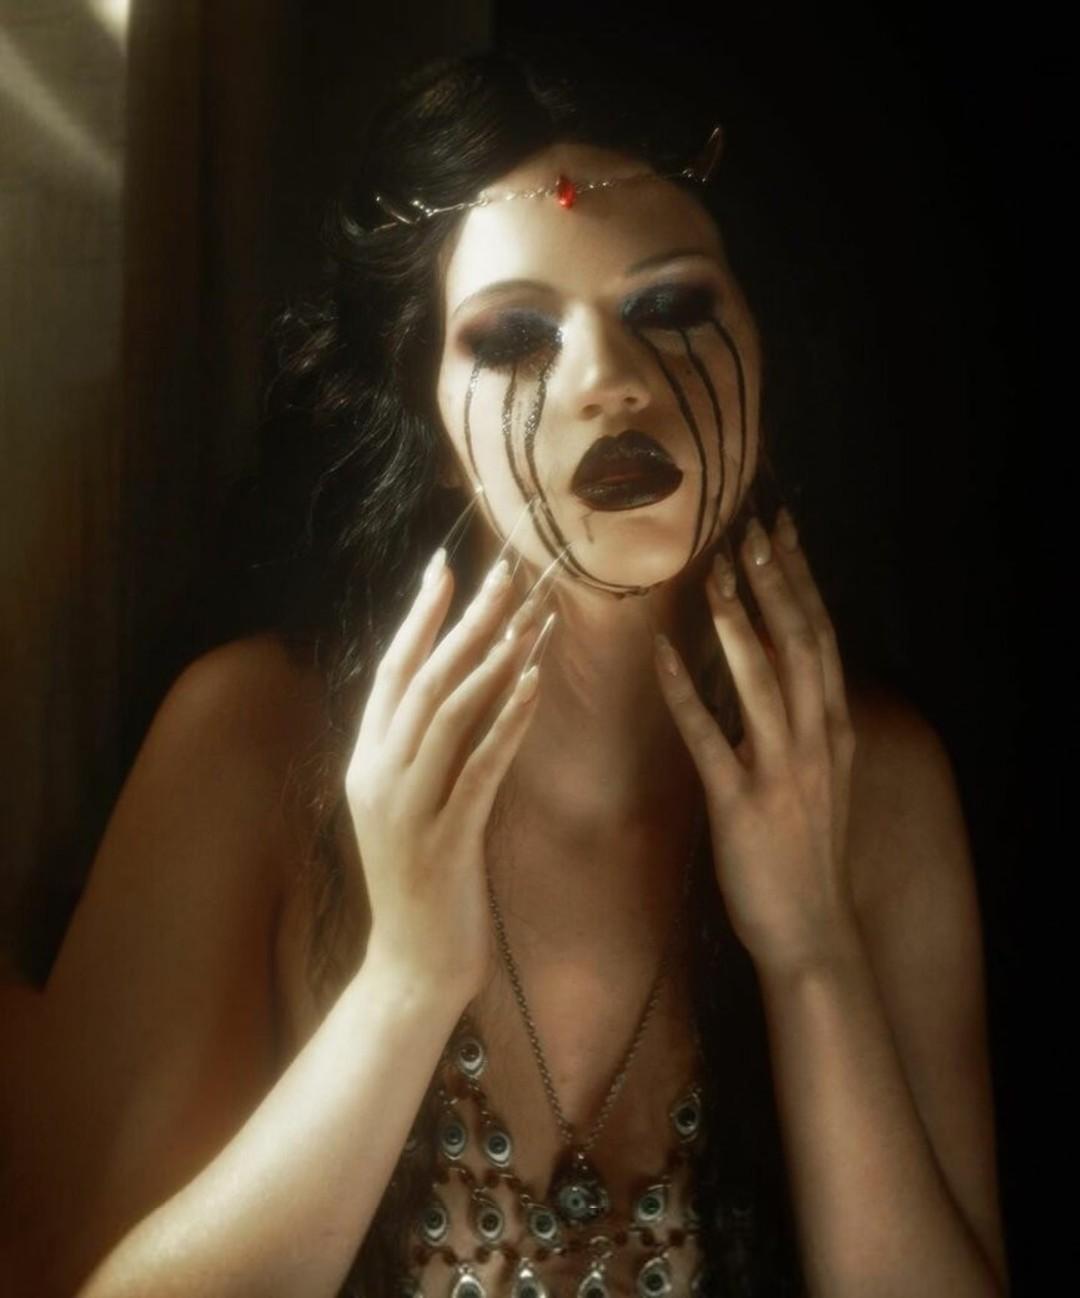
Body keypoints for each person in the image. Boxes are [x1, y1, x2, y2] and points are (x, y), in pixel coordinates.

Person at [0, 50, 1009, 1298]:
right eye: (516, 334)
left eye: (672, 305)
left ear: (766, 358)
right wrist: (405, 984)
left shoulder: (879, 784)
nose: (613, 379)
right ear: (428, 420)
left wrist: (812, 956)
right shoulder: (251, 741)